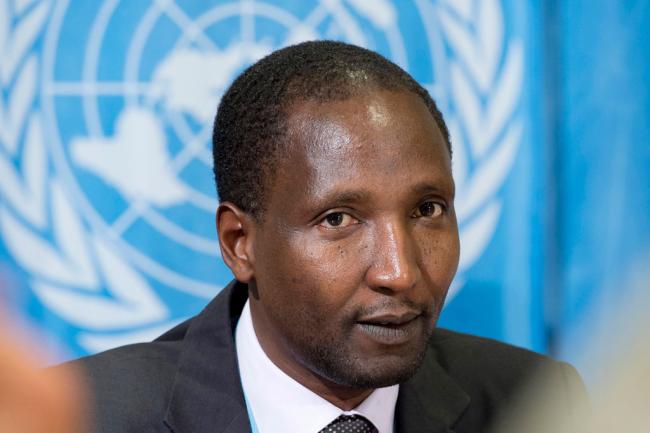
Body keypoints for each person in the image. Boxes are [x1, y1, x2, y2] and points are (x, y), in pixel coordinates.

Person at [73, 40, 587, 433]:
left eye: (427, 210)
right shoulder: (82, 416)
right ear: (239, 243)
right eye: (338, 220)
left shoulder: (539, 405)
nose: (399, 272)